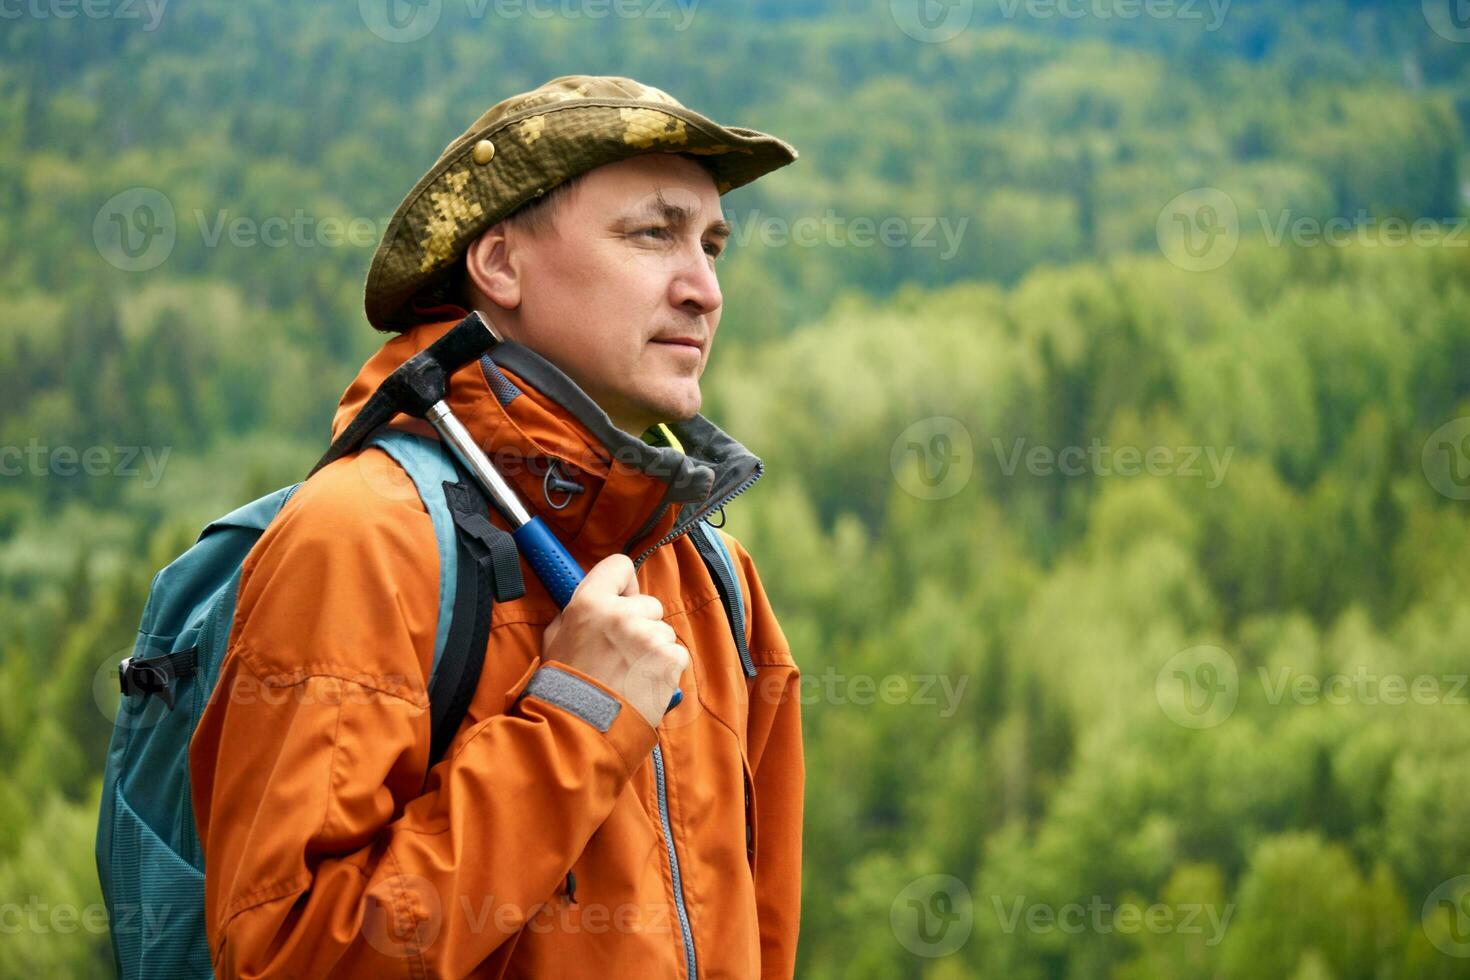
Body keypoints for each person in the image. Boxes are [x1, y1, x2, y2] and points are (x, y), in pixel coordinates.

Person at [188, 75, 804, 978]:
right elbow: (290, 957)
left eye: (713, 246)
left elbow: (763, 937)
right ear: (501, 263)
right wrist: (579, 716)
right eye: (652, 233)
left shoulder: (713, 576)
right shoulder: (361, 540)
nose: (704, 289)